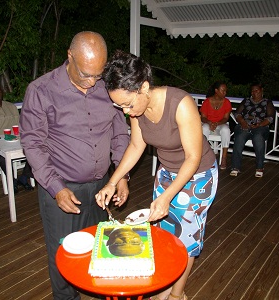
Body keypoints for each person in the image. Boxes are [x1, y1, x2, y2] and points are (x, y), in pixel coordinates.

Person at [96, 50, 218, 300]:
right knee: (162, 233)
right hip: (166, 173)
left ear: (143, 87)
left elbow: (193, 158)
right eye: (119, 105)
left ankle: (177, 295)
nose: (126, 112)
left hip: (198, 176)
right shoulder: (136, 111)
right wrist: (111, 182)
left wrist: (168, 197)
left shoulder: (180, 103)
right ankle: (163, 287)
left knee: (184, 238)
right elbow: (136, 146)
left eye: (128, 104)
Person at [19, 31, 130, 300]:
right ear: (70, 57)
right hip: (60, 187)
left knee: (98, 247)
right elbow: (33, 144)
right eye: (85, 74)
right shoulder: (41, 90)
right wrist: (56, 188)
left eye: (98, 74)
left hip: (102, 186)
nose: (93, 82)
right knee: (64, 254)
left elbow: (120, 134)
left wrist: (121, 175)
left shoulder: (106, 85)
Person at [0, 82, 33, 192]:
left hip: (16, 139)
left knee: (34, 150)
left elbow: (21, 124)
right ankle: (12, 181)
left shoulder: (11, 106)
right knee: (2, 158)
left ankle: (24, 177)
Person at [230, 83, 276, 178]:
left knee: (258, 137)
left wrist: (260, 124)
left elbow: (271, 117)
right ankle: (235, 167)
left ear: (261, 90)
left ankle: (260, 167)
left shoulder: (267, 102)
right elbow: (237, 113)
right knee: (240, 136)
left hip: (261, 127)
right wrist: (242, 122)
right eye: (252, 91)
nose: (254, 93)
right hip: (245, 125)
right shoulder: (246, 101)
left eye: (256, 90)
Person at [200, 81, 232, 169]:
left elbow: (226, 118)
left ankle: (224, 158)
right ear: (216, 91)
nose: (225, 93)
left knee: (226, 129)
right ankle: (203, 156)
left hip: (220, 124)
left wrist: (217, 123)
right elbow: (203, 117)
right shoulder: (207, 102)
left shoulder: (227, 102)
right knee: (204, 128)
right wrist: (210, 123)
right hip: (208, 123)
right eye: (223, 90)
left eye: (225, 91)